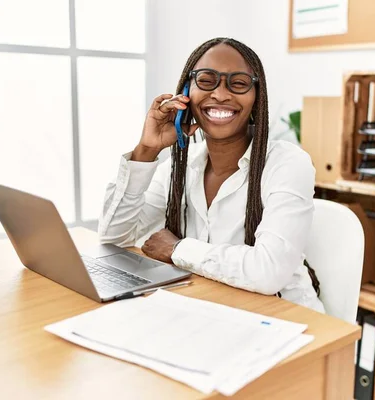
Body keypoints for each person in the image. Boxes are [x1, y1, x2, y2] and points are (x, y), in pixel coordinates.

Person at [98, 37, 324, 313]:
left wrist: (178, 249)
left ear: (257, 98)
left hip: (286, 319)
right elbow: (113, 239)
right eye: (206, 80)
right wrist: (147, 149)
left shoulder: (287, 163)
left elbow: (268, 271)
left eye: (238, 83)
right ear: (185, 93)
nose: (220, 94)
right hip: (210, 310)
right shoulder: (179, 165)